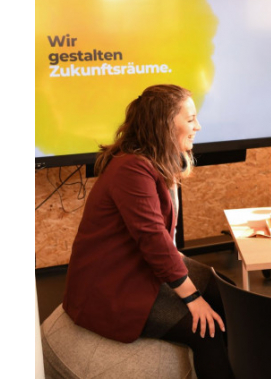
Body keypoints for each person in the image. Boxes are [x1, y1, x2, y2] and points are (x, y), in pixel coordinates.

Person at [62, 84, 234, 379]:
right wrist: (192, 299)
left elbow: (162, 241)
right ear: (165, 124)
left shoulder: (151, 163)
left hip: (138, 266)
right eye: (190, 119)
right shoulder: (131, 169)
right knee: (207, 331)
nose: (198, 126)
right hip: (112, 286)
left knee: (229, 294)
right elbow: (154, 240)